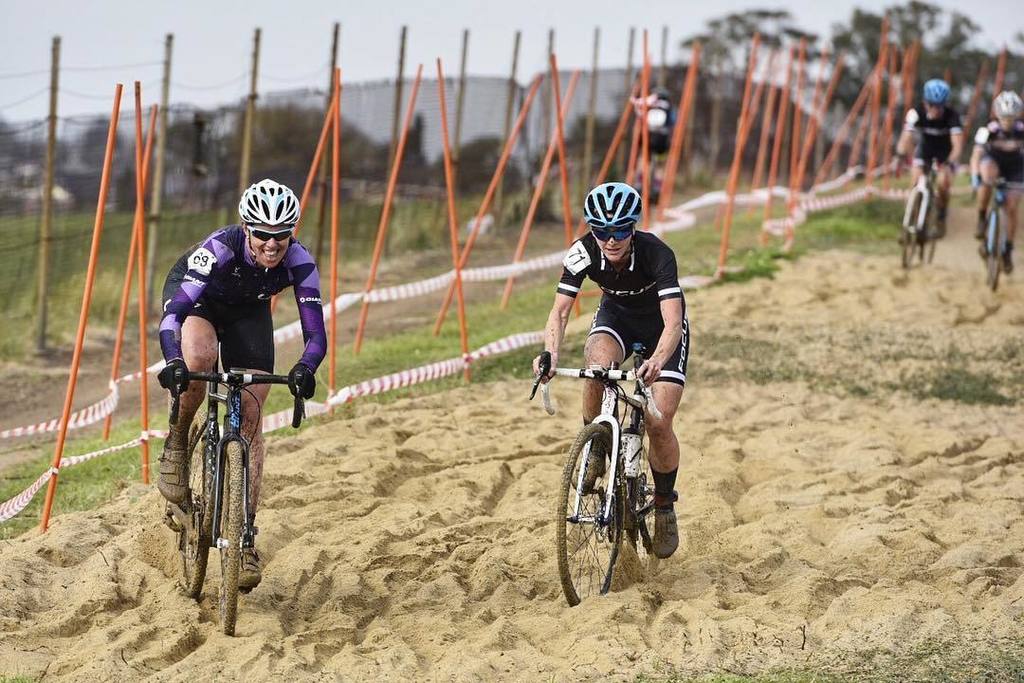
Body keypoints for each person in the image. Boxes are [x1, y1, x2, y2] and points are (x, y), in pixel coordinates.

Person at [157, 178, 326, 590]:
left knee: (251, 415)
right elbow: (173, 316)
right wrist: (174, 361)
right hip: (197, 300)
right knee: (198, 361)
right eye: (263, 234)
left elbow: (316, 336)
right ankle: (177, 442)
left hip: (247, 310)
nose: (272, 244)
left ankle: (245, 537)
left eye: (281, 235)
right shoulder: (219, 248)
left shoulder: (300, 261)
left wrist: (305, 368)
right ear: (247, 228)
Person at [532, 182, 689, 559]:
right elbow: (560, 311)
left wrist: (657, 360)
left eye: (620, 229)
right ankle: (597, 443)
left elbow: (673, 322)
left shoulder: (657, 254)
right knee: (597, 368)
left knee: (658, 422)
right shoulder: (583, 251)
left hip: (661, 330)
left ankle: (664, 505)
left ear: (633, 227)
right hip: (616, 320)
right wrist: (550, 354)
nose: (611, 239)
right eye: (602, 231)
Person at [896, 78, 964, 237]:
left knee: (942, 183)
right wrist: (900, 155)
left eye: (939, 106)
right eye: (931, 105)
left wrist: (949, 163)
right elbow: (906, 137)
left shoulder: (953, 116)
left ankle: (941, 216)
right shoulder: (915, 113)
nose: (935, 109)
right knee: (914, 182)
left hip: (945, 154)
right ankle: (908, 223)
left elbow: (957, 146)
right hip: (925, 151)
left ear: (945, 104)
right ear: (925, 102)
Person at [970, 91, 1024, 273]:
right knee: (986, 176)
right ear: (997, 115)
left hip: (1015, 168)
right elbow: (976, 155)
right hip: (993, 163)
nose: (1007, 121)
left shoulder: (1021, 130)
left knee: (1012, 207)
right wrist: (975, 175)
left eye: (1011, 118)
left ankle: (1007, 249)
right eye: (1004, 117)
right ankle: (981, 216)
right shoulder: (988, 130)